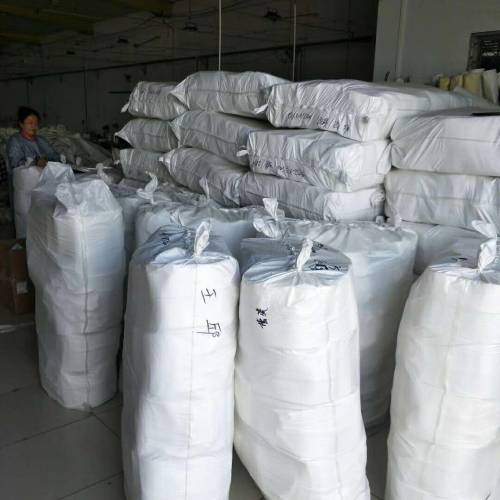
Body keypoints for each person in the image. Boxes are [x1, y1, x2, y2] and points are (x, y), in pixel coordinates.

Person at [6, 106, 60, 171]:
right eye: (30, 123)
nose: (34, 126)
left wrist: (47, 160)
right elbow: (16, 164)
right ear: (21, 124)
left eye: (36, 123)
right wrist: (35, 162)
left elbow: (54, 155)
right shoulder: (15, 141)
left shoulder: (41, 140)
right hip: (25, 176)